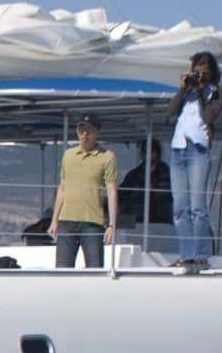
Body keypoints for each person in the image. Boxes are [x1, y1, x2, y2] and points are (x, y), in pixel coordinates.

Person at [166, 50, 222, 269]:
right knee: (180, 208)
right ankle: (186, 255)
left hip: (198, 150)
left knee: (198, 207)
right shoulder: (187, 92)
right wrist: (184, 88)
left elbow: (209, 116)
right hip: (178, 148)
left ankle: (201, 255)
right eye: (196, 72)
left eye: (203, 73)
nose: (199, 76)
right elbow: (170, 111)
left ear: (211, 74)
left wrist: (201, 92)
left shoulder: (217, 92)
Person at [52, 115, 120, 268]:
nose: (85, 134)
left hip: (93, 222)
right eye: (81, 130)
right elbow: (62, 187)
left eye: (89, 130)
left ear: (96, 132)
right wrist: (54, 219)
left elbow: (111, 191)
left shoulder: (107, 157)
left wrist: (112, 225)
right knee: (62, 270)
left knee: (95, 269)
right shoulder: (68, 155)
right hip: (66, 221)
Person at [116, 151, 172, 231]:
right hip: (137, 220)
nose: (149, 154)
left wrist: (155, 189)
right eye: (145, 151)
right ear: (142, 154)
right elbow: (121, 194)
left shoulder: (166, 173)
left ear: (157, 153)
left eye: (152, 151)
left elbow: (170, 194)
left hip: (162, 220)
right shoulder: (134, 175)